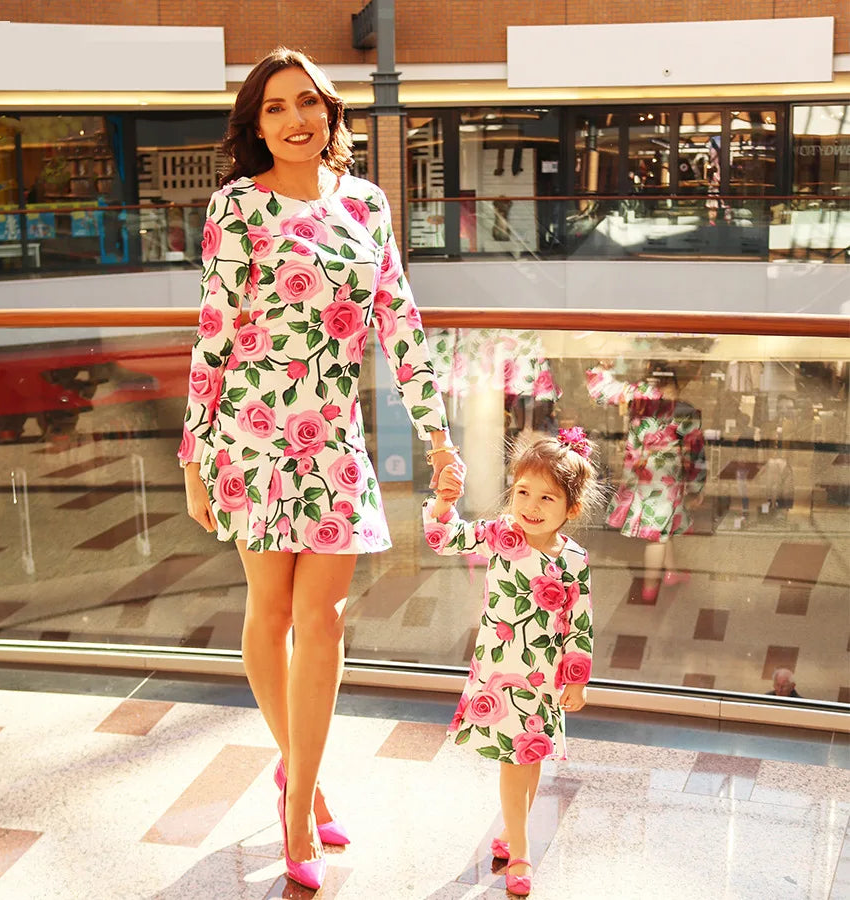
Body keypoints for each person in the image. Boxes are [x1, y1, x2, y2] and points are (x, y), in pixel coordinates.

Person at [177, 47, 462, 890]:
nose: (295, 119)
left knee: (327, 618)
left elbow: (400, 328)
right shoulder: (237, 207)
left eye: (308, 103)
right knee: (271, 612)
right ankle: (304, 790)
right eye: (274, 108)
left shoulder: (368, 205)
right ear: (254, 124)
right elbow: (214, 335)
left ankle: (296, 787)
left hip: (333, 441)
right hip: (250, 436)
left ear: (333, 114)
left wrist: (439, 437)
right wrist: (194, 454)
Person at [422, 429, 599, 897]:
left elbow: (579, 623)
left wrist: (576, 679)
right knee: (514, 759)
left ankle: (509, 831)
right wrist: (443, 504)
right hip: (502, 672)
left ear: (570, 509)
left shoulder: (575, 560)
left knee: (532, 757)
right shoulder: (502, 535)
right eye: (523, 492)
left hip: (543, 677)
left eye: (547, 497)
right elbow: (445, 538)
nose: (531, 505)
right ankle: (519, 849)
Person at [586, 360, 706, 602]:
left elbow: (600, 391)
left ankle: (671, 571)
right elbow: (696, 454)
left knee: (662, 524)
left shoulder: (640, 395)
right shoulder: (685, 411)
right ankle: (650, 589)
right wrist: (697, 486)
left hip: (639, 471)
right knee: (657, 533)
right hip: (665, 479)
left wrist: (602, 367)